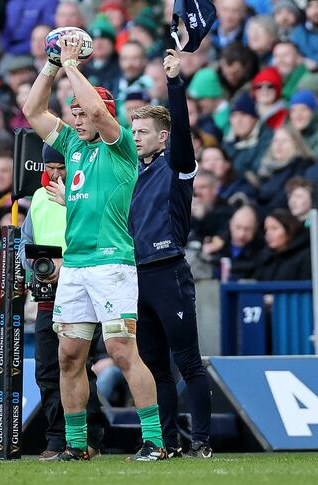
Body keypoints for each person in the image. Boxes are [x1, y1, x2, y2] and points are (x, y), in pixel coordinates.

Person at [22, 30, 164, 461]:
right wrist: (51, 65)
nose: (77, 119)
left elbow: (101, 114)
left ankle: (154, 439)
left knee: (122, 350)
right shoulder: (70, 145)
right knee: (68, 355)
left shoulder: (119, 146)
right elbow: (32, 110)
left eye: (83, 113)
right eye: (74, 113)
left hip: (113, 264)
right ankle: (77, 445)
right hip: (76, 266)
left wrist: (71, 66)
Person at [129, 51, 213, 458]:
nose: (136, 136)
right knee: (155, 369)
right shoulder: (132, 172)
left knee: (189, 362)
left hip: (168, 272)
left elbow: (182, 126)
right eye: (133, 129)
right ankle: (167, 442)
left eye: (143, 130)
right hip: (135, 276)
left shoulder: (178, 163)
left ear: (164, 136)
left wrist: (175, 83)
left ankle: (202, 441)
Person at [18, 144, 106, 460]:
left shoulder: (85, 195)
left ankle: (88, 435)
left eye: (61, 167)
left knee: (79, 366)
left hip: (80, 290)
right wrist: (33, 266)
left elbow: (98, 237)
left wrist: (64, 267)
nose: (55, 173)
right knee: (46, 370)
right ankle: (57, 438)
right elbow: (25, 243)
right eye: (50, 167)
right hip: (46, 295)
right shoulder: (39, 198)